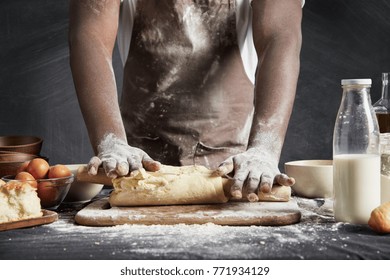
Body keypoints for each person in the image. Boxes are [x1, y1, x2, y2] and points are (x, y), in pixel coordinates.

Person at [69, 0, 303, 202]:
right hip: (136, 173)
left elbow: (279, 37)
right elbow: (91, 37)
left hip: (232, 177)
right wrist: (111, 142)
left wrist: (263, 150)